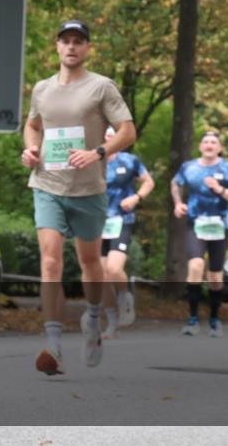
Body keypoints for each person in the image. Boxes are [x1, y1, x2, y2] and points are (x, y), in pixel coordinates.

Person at [22, 20, 137, 376]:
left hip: (88, 189)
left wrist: (98, 152)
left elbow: (128, 132)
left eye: (79, 42)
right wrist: (30, 149)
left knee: (90, 263)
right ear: (56, 46)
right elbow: (33, 125)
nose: (71, 47)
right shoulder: (42, 89)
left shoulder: (102, 87)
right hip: (47, 184)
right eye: (66, 41)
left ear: (87, 48)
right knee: (51, 263)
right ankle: (53, 344)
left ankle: (91, 318)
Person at [171, 131, 228, 338]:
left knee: (215, 276)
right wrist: (178, 204)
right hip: (196, 223)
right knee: (195, 265)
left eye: (214, 142)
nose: (209, 144)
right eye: (205, 141)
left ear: (219, 148)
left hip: (220, 225)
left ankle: (214, 318)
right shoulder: (189, 167)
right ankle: (193, 319)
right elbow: (175, 183)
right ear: (201, 146)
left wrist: (220, 190)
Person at [100, 127, 154, 339]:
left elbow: (149, 182)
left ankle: (125, 296)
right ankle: (112, 322)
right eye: (103, 135)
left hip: (121, 220)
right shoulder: (91, 161)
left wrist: (136, 198)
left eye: (111, 135)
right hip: (97, 223)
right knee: (101, 278)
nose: (107, 138)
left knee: (113, 269)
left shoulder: (130, 161)